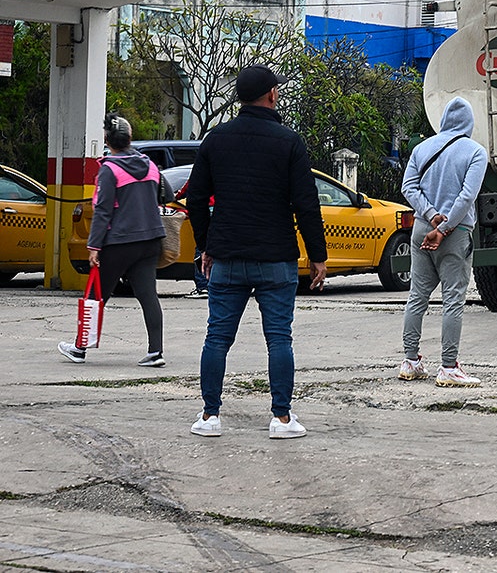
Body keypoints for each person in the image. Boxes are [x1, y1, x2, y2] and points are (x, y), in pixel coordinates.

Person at [187, 64, 327, 439]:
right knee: (279, 338)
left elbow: (196, 197)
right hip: (276, 258)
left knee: (217, 337)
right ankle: (282, 419)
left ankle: (210, 416)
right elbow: (306, 203)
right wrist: (318, 256)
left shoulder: (216, 139)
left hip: (227, 256)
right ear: (271, 95)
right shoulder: (289, 141)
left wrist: (206, 244)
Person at [58, 114, 167, 367]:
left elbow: (103, 211)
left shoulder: (109, 169)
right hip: (151, 239)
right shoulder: (150, 165)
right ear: (130, 139)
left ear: (107, 140)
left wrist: (94, 246)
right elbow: (166, 193)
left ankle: (79, 348)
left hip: (119, 243)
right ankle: (155, 352)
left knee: (97, 294)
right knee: (148, 295)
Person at [399, 97, 487, 387]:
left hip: (422, 230)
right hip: (455, 233)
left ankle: (410, 361)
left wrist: (431, 215)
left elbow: (408, 187)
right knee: (453, 299)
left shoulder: (421, 149)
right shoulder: (475, 152)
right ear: (469, 123)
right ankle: (449, 366)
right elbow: (467, 196)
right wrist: (446, 225)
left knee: (417, 296)